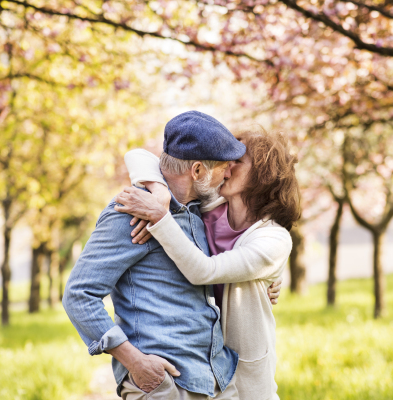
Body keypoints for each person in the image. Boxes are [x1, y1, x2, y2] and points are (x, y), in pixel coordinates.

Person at [62, 111, 246, 400]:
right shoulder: (130, 213)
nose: (228, 173)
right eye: (224, 166)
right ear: (197, 171)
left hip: (215, 380)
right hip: (166, 385)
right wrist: (135, 362)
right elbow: (78, 294)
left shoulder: (198, 211)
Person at [116, 128, 301, 400]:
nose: (227, 166)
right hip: (198, 364)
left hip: (244, 376)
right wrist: (158, 189)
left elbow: (205, 271)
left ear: (262, 175)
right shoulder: (208, 205)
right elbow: (137, 155)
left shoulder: (274, 239)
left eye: (238, 161)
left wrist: (159, 218)